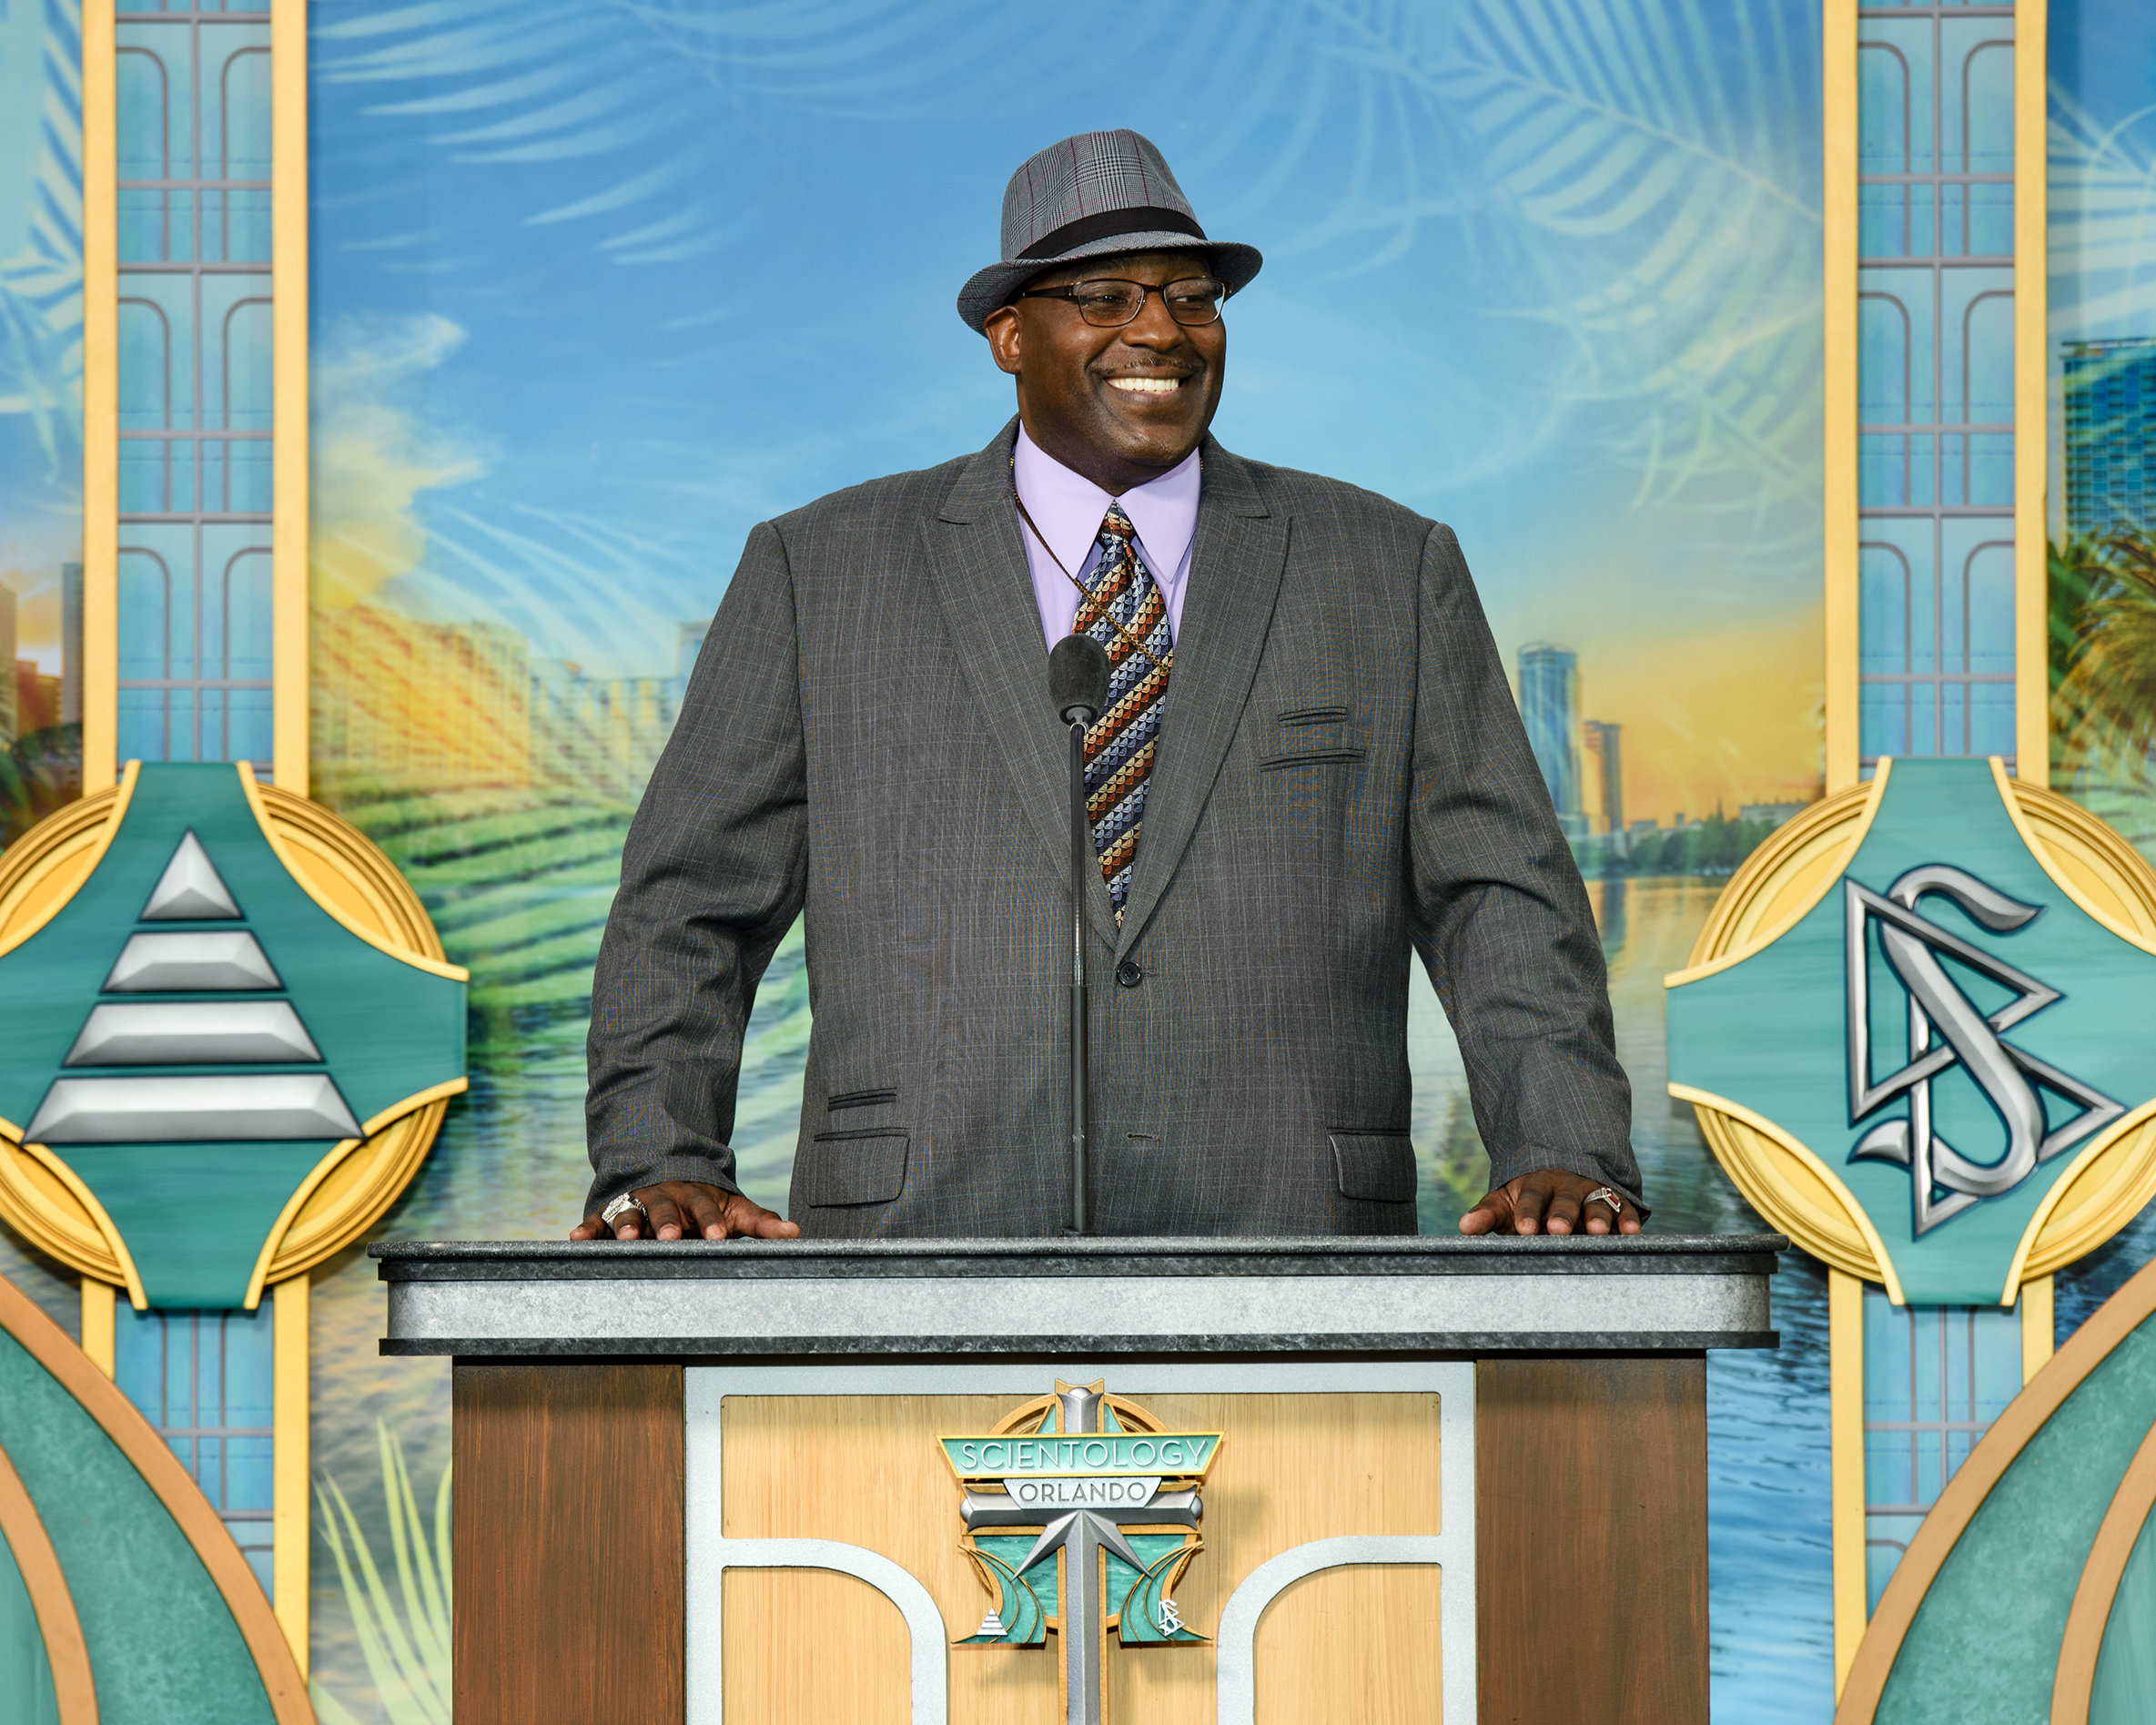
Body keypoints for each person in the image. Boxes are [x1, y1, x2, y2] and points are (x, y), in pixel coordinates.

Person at [575, 129, 1645, 1245]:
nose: (1160, 330)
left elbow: (1497, 894)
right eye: (1104, 296)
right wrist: (658, 1158)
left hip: (1298, 1236)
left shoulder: (1387, 565)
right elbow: (688, 906)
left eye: (1192, 297)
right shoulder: (817, 569)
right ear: (1008, 334)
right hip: (914, 1238)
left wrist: (1562, 1147)